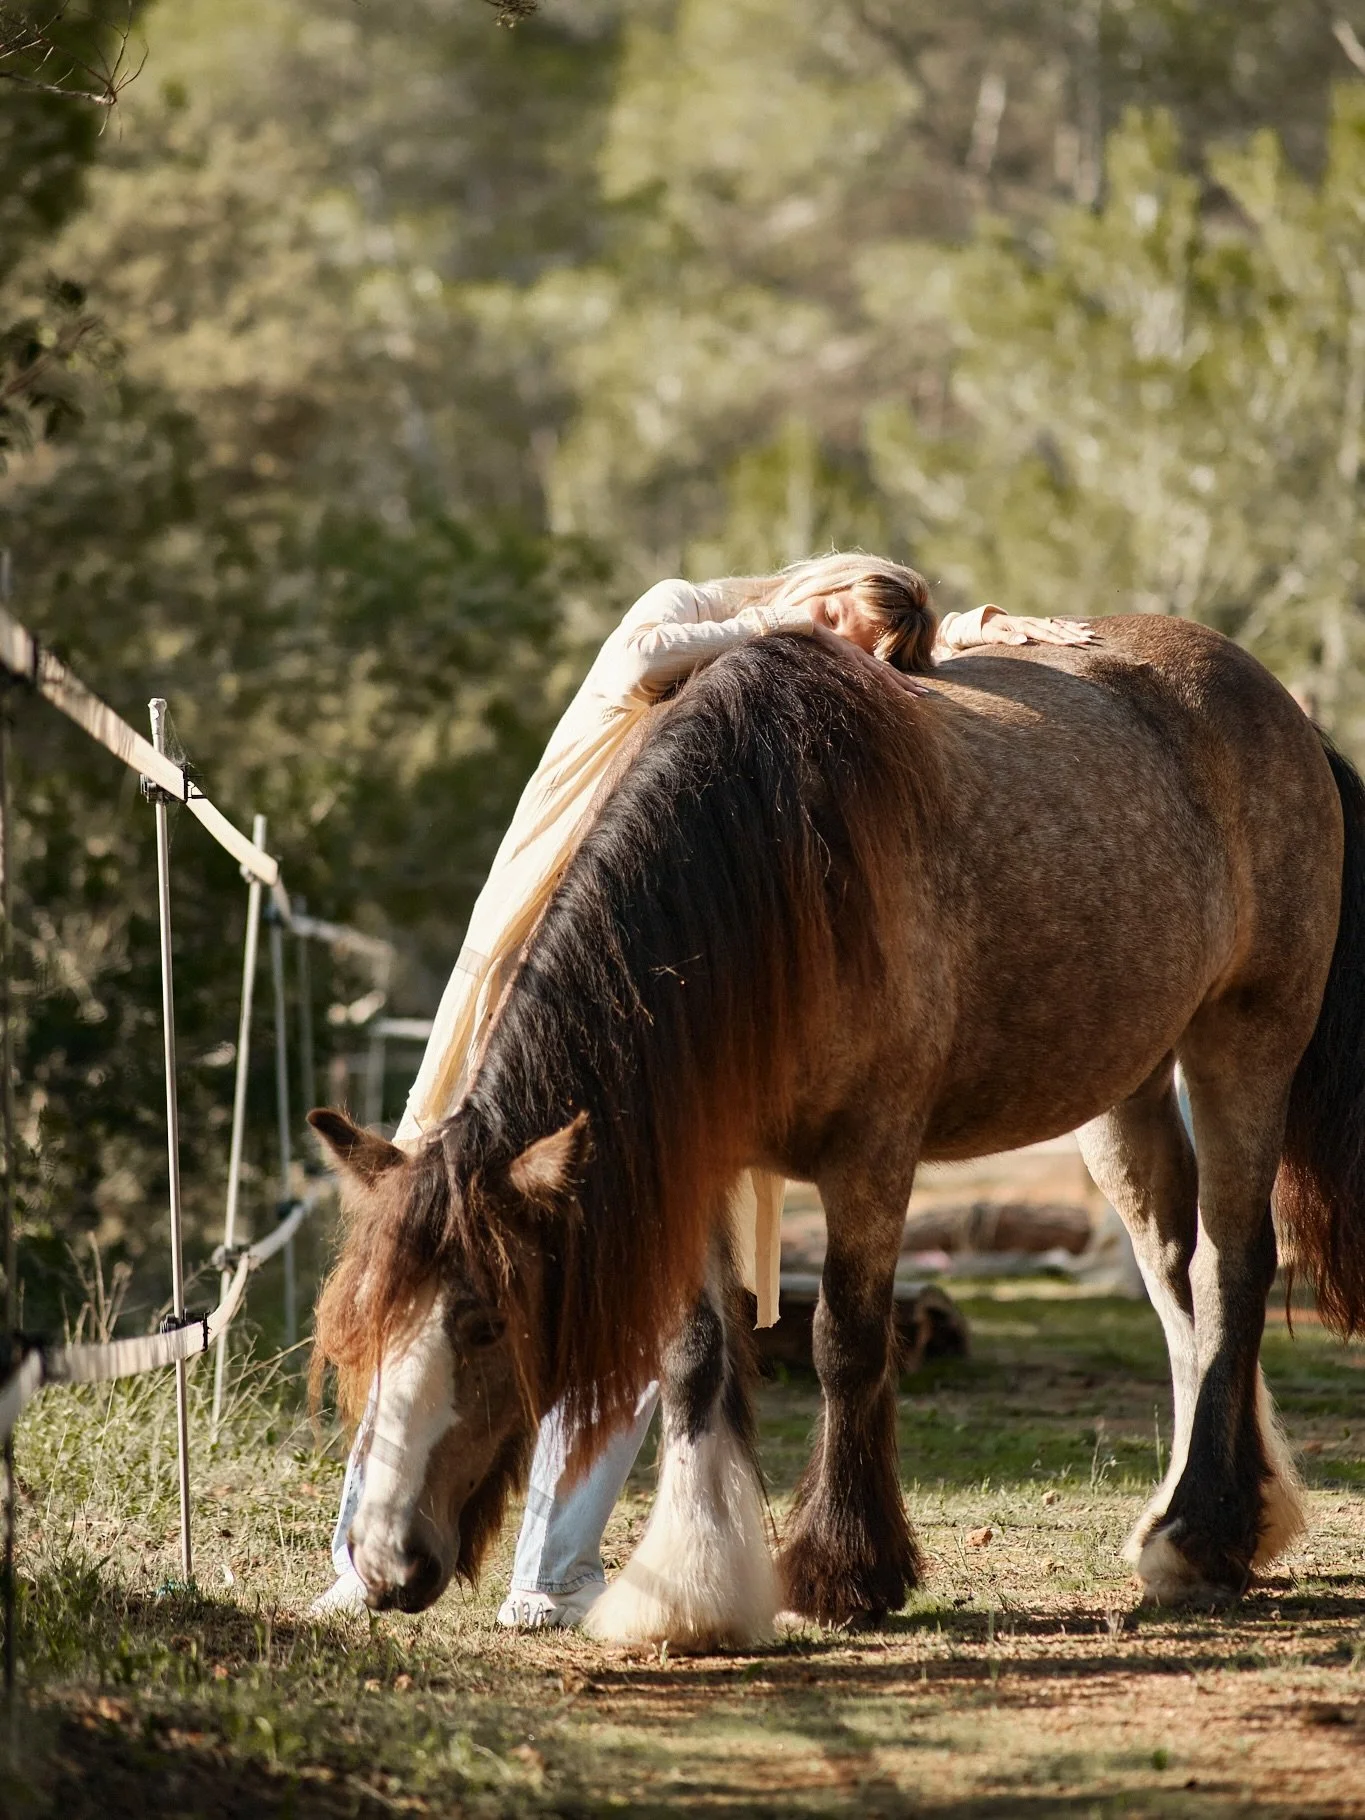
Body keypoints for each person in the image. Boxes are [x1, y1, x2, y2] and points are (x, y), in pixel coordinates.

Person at [309, 555, 1091, 1623]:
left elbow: (913, 635)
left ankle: (555, 1563)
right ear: (817, 577)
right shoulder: (688, 615)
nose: (828, 645)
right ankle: (366, 1553)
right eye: (831, 616)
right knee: (426, 1268)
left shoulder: (793, 670)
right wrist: (792, 622)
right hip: (531, 949)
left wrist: (1015, 623)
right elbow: (643, 656)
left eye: (856, 648)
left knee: (626, 1282)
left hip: (653, 991)